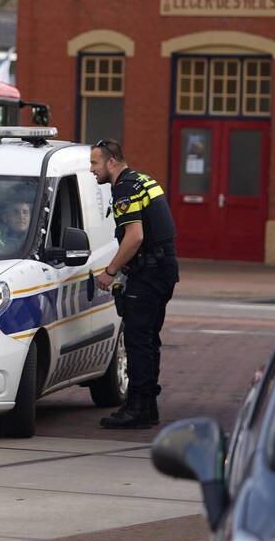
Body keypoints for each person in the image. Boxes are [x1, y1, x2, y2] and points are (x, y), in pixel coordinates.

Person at [90, 139, 178, 429]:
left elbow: (135, 236)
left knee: (138, 341)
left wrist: (110, 271)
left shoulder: (125, 188)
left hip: (148, 274)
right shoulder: (144, 180)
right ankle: (146, 407)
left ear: (111, 162)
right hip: (163, 271)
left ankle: (138, 409)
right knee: (149, 341)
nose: (92, 170)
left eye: (95, 163)